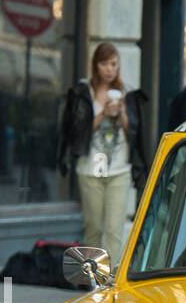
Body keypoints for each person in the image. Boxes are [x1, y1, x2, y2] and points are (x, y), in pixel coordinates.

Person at [57, 42, 150, 266]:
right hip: (91, 170)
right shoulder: (83, 93)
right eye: (104, 64)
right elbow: (76, 131)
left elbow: (137, 136)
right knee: (93, 227)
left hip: (119, 170)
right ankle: (91, 280)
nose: (109, 69)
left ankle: (107, 282)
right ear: (95, 65)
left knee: (114, 229)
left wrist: (123, 115)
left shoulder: (127, 93)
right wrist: (102, 115)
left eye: (114, 64)